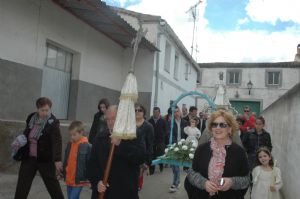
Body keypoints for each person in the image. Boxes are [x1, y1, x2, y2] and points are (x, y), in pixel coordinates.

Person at [185, 110, 250, 199]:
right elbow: (191, 173)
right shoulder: (201, 149)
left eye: (222, 125)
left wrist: (232, 182)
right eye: (214, 124)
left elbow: (247, 179)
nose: (217, 128)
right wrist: (203, 183)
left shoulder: (239, 152)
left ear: (230, 129)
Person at [88, 106, 145, 199]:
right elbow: (92, 164)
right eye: (108, 119)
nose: (110, 122)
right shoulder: (100, 137)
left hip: (124, 192)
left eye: (114, 118)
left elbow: (140, 157)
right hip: (103, 192)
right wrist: (97, 181)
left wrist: (121, 144)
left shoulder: (134, 134)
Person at [14, 97, 64, 199]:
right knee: (22, 184)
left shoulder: (53, 122)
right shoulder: (31, 118)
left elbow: (57, 141)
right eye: (42, 110)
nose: (45, 112)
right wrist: (20, 141)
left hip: (45, 159)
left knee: (52, 185)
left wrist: (57, 159)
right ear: (37, 109)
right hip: (29, 158)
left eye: (47, 110)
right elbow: (27, 133)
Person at [63, 121, 91, 199]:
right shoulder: (70, 144)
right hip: (69, 178)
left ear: (81, 132)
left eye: (74, 135)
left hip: (79, 180)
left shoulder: (87, 146)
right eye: (70, 135)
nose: (72, 137)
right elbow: (66, 160)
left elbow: (90, 163)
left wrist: (89, 178)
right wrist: (63, 172)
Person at [168, 106, 188, 193]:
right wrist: (174, 144)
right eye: (174, 112)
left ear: (180, 112)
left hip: (183, 146)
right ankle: (177, 181)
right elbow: (169, 134)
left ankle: (175, 183)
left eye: (177, 111)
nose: (176, 113)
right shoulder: (170, 123)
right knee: (174, 166)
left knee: (176, 166)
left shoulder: (185, 122)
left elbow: (187, 134)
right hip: (174, 146)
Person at [134, 103, 154, 190]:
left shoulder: (148, 126)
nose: (137, 112)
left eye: (140, 110)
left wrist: (147, 162)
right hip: (129, 155)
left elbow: (150, 145)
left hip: (141, 157)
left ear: (144, 112)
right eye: (135, 110)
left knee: (137, 180)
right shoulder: (129, 124)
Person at [148, 107, 167, 174]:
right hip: (152, 141)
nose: (155, 114)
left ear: (159, 113)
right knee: (152, 155)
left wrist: (162, 137)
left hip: (160, 141)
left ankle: (161, 165)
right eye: (154, 112)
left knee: (160, 155)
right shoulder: (150, 121)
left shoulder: (163, 121)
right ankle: (151, 169)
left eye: (157, 112)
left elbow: (166, 130)